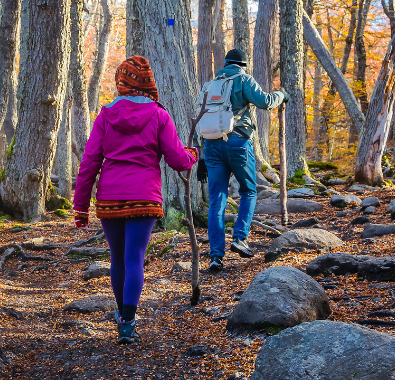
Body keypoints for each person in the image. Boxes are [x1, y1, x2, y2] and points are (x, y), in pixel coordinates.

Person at [73, 56, 198, 344]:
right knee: (135, 259)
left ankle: (121, 314)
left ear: (121, 82)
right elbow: (178, 160)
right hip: (145, 197)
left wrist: (81, 206)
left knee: (118, 258)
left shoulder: (106, 114)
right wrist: (193, 154)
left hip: (110, 197)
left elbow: (90, 161)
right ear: (148, 83)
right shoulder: (159, 115)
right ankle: (128, 322)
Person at [201, 48, 289, 272]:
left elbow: (199, 118)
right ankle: (240, 238)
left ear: (226, 63)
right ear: (244, 65)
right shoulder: (244, 79)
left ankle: (215, 256)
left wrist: (201, 156)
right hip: (237, 143)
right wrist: (281, 94)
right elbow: (265, 102)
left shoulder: (210, 85)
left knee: (216, 200)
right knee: (248, 190)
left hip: (211, 145)